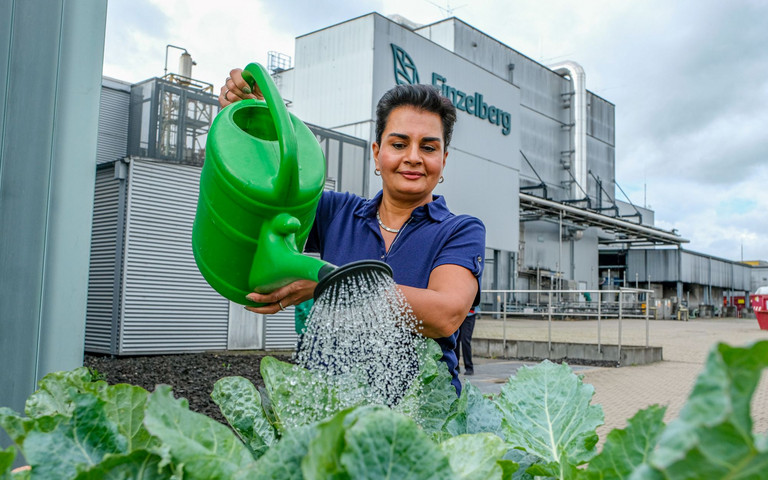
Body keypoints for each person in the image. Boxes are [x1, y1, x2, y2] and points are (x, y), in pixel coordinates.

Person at [220, 70, 486, 395]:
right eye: (399, 144)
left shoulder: (459, 230)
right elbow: (262, 205)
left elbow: (444, 314)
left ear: (443, 160)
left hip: (423, 421)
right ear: (377, 153)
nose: (413, 158)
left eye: (428, 148)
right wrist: (252, 128)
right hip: (334, 412)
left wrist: (327, 284)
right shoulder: (336, 212)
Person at [454, 307, 478, 375]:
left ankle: (469, 367)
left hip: (469, 314)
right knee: (455, 340)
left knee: (465, 340)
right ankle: (455, 366)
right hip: (457, 315)